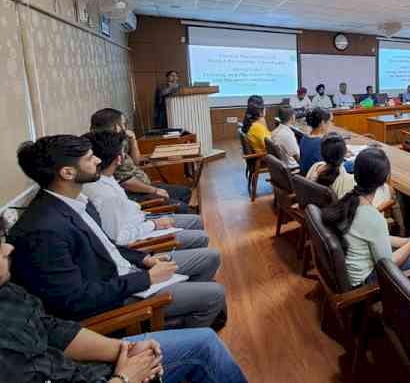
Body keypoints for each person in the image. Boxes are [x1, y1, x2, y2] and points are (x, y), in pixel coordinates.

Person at [10, 135, 226, 329]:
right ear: (67, 173)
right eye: (89, 158)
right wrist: (145, 279)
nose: (97, 161)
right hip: (117, 297)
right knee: (214, 295)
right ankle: (167, 336)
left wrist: (145, 260)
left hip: (128, 272)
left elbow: (108, 246)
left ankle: (179, 310)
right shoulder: (43, 230)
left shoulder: (75, 202)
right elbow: (74, 300)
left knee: (210, 258)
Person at [0, 216, 248, 383]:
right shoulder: (47, 226)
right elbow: (75, 300)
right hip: (107, 375)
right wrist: (125, 378)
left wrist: (122, 349)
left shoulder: (7, 291)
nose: (8, 249)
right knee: (206, 332)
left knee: (205, 340)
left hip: (89, 363)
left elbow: (54, 329)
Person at [321, 147, 410, 286]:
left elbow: (375, 237)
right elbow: (389, 265)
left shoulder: (348, 200)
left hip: (349, 273)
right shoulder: (373, 217)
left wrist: (408, 241)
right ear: (385, 179)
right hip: (366, 282)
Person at [81, 130, 209, 249]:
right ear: (119, 158)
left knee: (196, 219)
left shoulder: (104, 178)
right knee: (202, 239)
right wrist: (154, 224)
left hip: (141, 218)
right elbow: (118, 239)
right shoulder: (106, 195)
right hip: (141, 234)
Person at [90, 109, 192, 213]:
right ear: (115, 126)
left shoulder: (119, 141)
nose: (125, 128)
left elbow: (136, 162)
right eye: (123, 124)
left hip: (144, 186)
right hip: (134, 193)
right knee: (181, 207)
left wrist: (133, 141)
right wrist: (154, 190)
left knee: (185, 192)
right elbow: (126, 182)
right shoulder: (105, 148)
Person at [307, 133, 391, 208]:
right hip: (339, 221)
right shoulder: (349, 181)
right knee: (389, 191)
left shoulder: (315, 167)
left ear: (322, 152)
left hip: (317, 216)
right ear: (344, 154)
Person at [299, 107, 333, 176]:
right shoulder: (322, 143)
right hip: (316, 181)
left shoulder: (304, 137)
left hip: (304, 179)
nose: (331, 124)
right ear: (322, 123)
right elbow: (329, 167)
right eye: (330, 121)